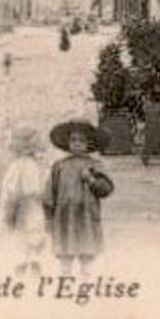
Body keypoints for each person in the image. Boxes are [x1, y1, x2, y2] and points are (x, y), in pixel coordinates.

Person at [44, 117, 114, 274]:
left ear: (89, 143)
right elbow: (50, 192)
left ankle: (85, 271)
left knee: (86, 243)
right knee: (65, 245)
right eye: (73, 140)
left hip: (86, 213)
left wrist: (91, 180)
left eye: (81, 140)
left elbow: (106, 189)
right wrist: (48, 216)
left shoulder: (94, 165)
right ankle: (66, 271)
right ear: (67, 143)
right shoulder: (59, 166)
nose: (76, 143)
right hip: (64, 214)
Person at [0, 125, 49, 276]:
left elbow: (11, 190)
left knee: (23, 237)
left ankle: (25, 267)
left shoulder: (16, 166)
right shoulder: (30, 166)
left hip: (21, 206)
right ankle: (30, 265)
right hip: (28, 206)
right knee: (31, 234)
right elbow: (32, 189)